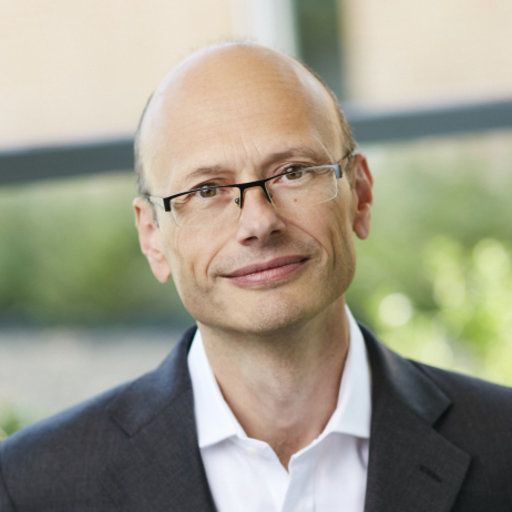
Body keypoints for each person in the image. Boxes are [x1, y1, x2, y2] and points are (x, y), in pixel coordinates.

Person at [1, 41, 511, 512]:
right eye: (206, 190)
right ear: (152, 236)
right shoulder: (33, 487)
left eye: (293, 172)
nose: (259, 223)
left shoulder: (503, 445)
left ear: (360, 195)